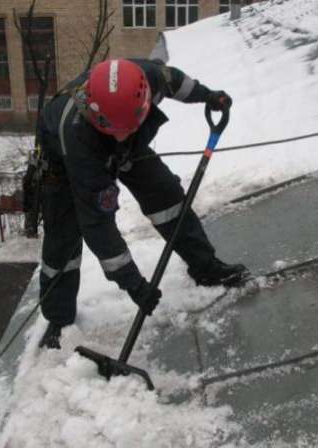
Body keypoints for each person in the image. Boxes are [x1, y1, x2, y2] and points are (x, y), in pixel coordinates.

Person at [37, 58, 248, 349]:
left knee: (167, 197)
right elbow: (97, 221)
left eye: (126, 127)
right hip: (61, 163)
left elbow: (177, 82)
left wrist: (207, 95)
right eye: (115, 129)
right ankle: (58, 319)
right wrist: (133, 283)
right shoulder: (77, 136)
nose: (120, 135)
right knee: (64, 241)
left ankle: (206, 267)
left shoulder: (148, 78)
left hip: (122, 145)